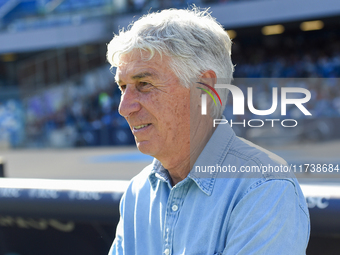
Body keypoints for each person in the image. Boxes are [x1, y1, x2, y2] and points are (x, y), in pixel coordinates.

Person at [106, 7, 310, 255]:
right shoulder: (137, 193)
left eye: (144, 84)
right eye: (123, 87)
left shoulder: (265, 188)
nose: (124, 107)